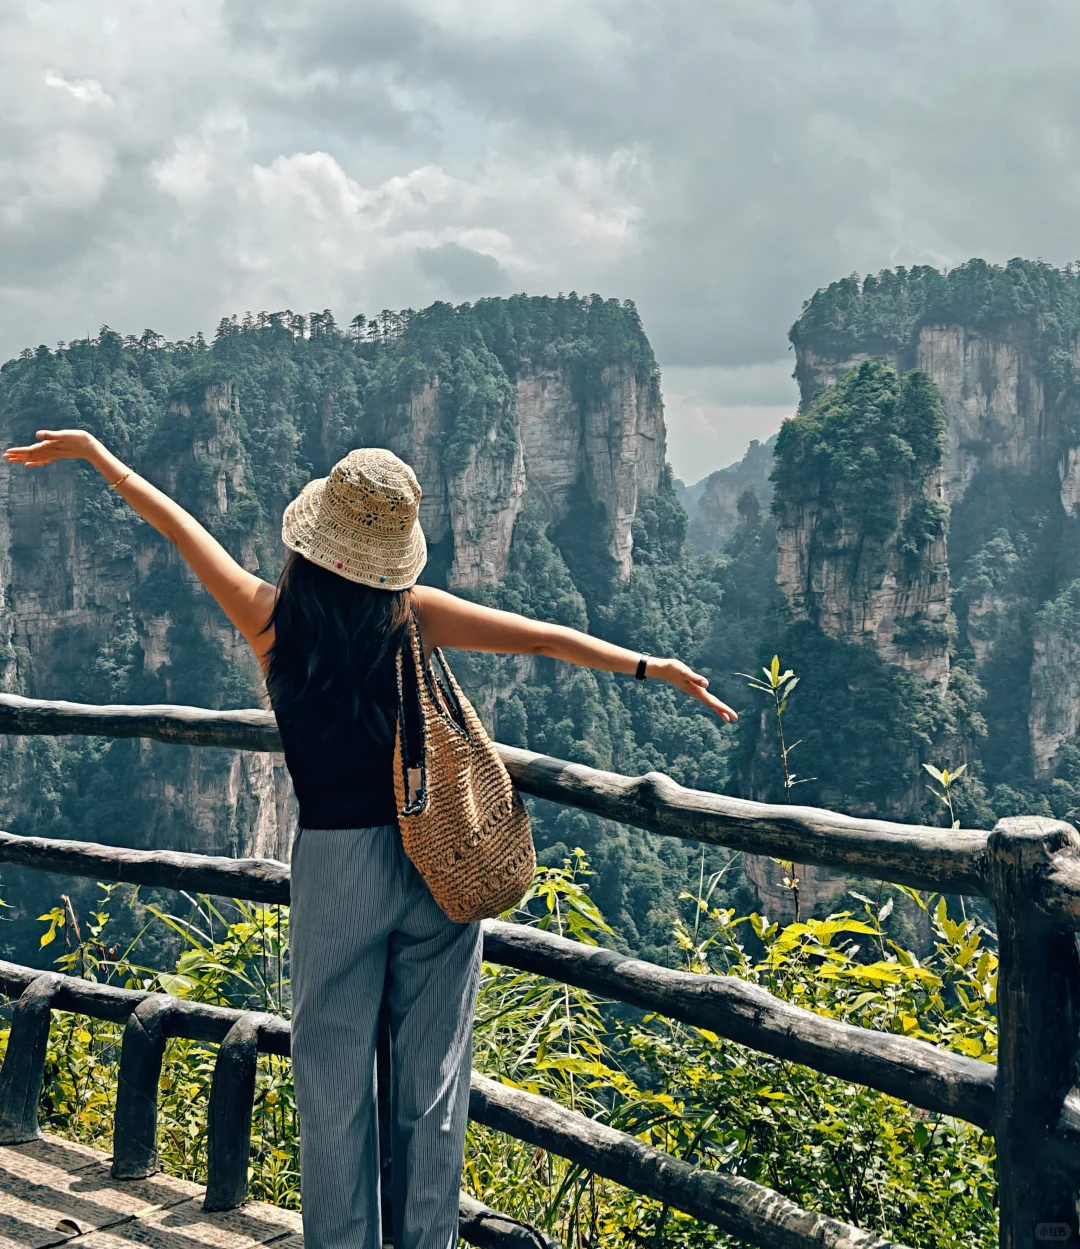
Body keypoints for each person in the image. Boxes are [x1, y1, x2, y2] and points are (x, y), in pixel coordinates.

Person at [3, 429, 738, 1249]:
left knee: (332, 1077)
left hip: (337, 869)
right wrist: (651, 667)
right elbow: (540, 636)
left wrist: (96, 455)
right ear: (396, 555)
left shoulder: (269, 619)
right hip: (438, 863)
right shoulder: (415, 616)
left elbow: (178, 527)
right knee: (431, 1080)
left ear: (313, 538)